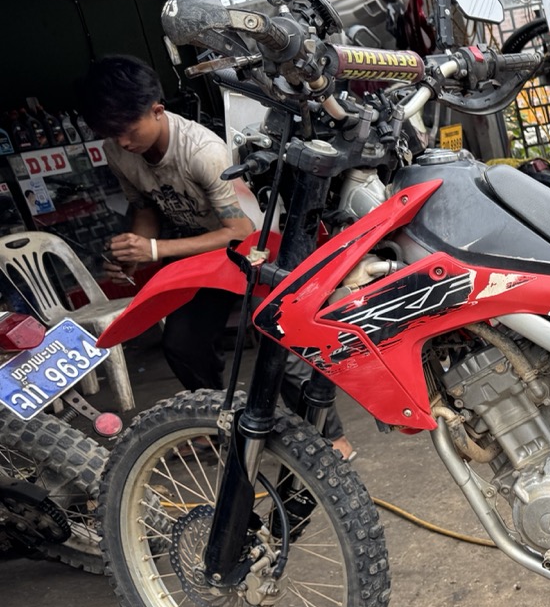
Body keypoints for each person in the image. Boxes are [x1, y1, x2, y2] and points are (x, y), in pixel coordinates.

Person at [81, 55, 356, 460]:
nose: (122, 141)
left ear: (157, 110)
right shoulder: (119, 151)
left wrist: (154, 250)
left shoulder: (203, 151)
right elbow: (146, 207)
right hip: (205, 253)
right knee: (182, 342)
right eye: (111, 132)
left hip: (260, 249)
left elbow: (240, 232)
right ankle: (215, 425)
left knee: (279, 341)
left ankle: (330, 439)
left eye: (128, 129)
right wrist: (133, 251)